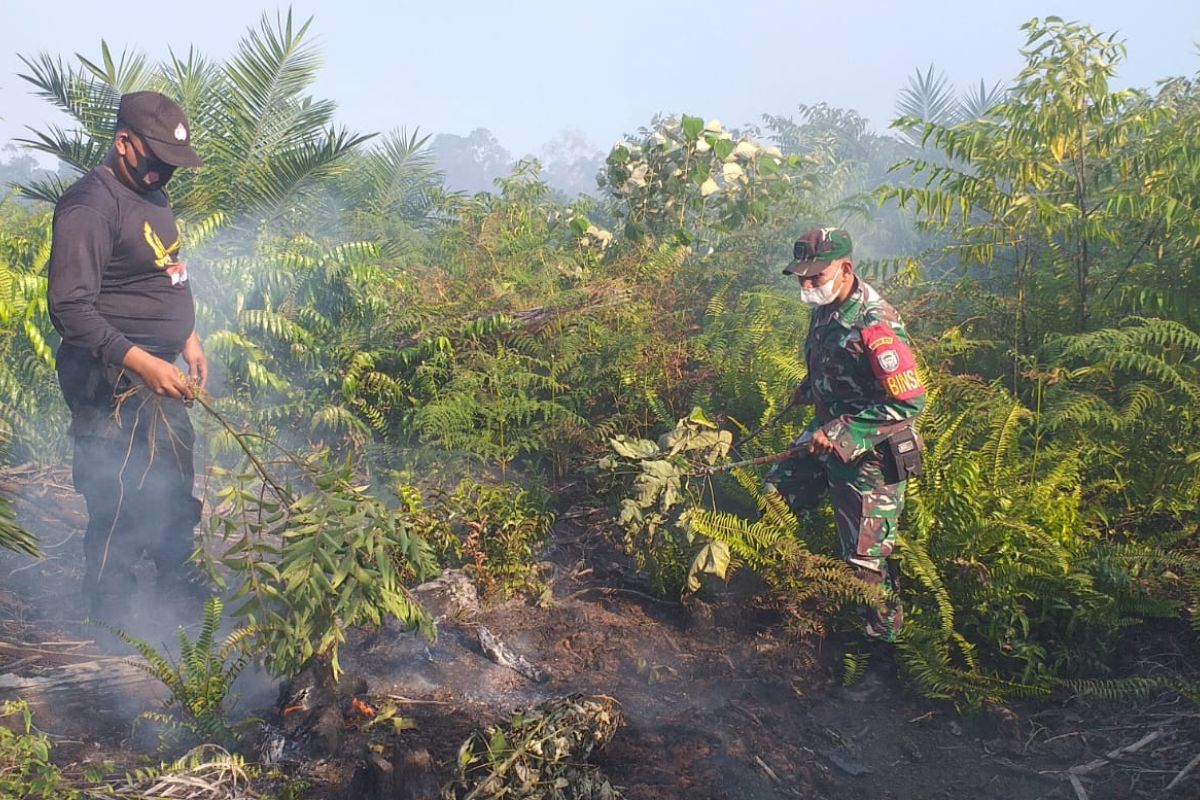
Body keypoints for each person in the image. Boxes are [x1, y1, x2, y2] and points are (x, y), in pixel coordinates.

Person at [47, 91, 207, 623]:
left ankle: (177, 587)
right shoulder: (89, 205)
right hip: (107, 379)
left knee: (173, 477)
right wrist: (142, 362)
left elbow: (166, 271)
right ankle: (110, 614)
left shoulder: (153, 191)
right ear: (123, 143)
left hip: (158, 373)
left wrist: (187, 338)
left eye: (172, 164)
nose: (166, 172)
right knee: (117, 492)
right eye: (158, 160)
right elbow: (70, 309)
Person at [765, 227, 925, 641]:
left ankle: (879, 653)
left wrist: (843, 430)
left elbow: (909, 402)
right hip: (826, 436)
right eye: (801, 276)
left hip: (871, 457)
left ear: (846, 269)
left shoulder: (875, 323)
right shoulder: (826, 306)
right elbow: (838, 361)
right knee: (773, 498)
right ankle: (780, 591)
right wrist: (811, 385)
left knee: (864, 563)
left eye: (815, 276)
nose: (806, 284)